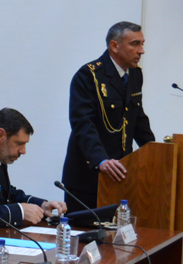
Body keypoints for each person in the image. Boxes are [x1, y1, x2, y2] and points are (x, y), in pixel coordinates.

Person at [62, 21, 155, 211]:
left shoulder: (135, 75)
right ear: (114, 46)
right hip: (89, 177)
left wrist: (156, 153)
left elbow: (138, 120)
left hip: (121, 174)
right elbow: (82, 123)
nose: (141, 51)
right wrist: (101, 160)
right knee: (85, 237)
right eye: (135, 44)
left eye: (142, 44)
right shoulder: (89, 75)